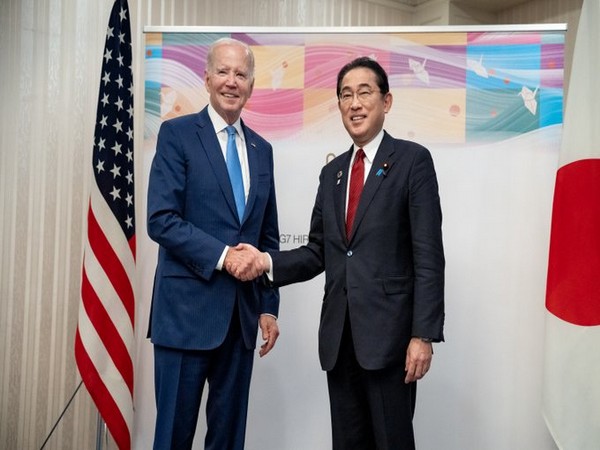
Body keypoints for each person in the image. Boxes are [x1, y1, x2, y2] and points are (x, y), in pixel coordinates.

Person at [230, 56, 445, 449]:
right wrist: (265, 261)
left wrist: (423, 334)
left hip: (391, 342)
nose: (355, 103)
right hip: (339, 340)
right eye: (346, 95)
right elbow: (317, 252)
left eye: (365, 93)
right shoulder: (333, 174)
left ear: (387, 101)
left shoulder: (413, 161)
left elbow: (428, 255)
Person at [146, 37, 280, 450]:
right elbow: (161, 220)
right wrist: (223, 257)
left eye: (241, 74)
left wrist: (269, 309)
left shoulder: (263, 150)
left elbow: (267, 237)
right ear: (206, 78)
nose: (231, 81)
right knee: (172, 437)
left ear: (252, 85)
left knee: (227, 441)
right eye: (223, 71)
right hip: (184, 319)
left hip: (240, 323)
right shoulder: (177, 134)